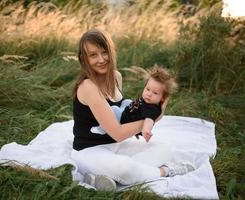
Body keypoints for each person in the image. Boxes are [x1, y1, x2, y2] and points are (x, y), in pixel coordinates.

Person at [71, 29, 194, 191]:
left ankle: (103, 178)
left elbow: (122, 119)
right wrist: (150, 119)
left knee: (165, 148)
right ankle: (164, 171)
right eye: (93, 55)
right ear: (84, 59)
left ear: (111, 52)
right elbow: (118, 132)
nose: (101, 59)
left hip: (116, 146)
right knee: (124, 167)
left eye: (104, 52)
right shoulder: (88, 87)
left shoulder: (116, 77)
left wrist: (153, 108)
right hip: (90, 151)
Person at [90, 66, 178, 143]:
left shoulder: (152, 108)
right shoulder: (148, 100)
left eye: (155, 93)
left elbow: (149, 120)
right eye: (147, 89)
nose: (149, 94)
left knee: (114, 109)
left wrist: (145, 130)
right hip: (128, 111)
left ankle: (101, 129)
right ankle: (122, 109)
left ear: (163, 97)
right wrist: (136, 132)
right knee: (127, 102)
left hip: (125, 120)